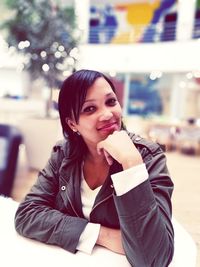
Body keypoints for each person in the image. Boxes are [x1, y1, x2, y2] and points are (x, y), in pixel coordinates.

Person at [15, 69, 174, 267]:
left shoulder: (148, 157)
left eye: (111, 102)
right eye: (90, 109)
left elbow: (154, 259)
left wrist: (131, 165)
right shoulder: (64, 154)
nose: (108, 114)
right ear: (73, 124)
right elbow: (27, 214)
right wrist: (102, 235)